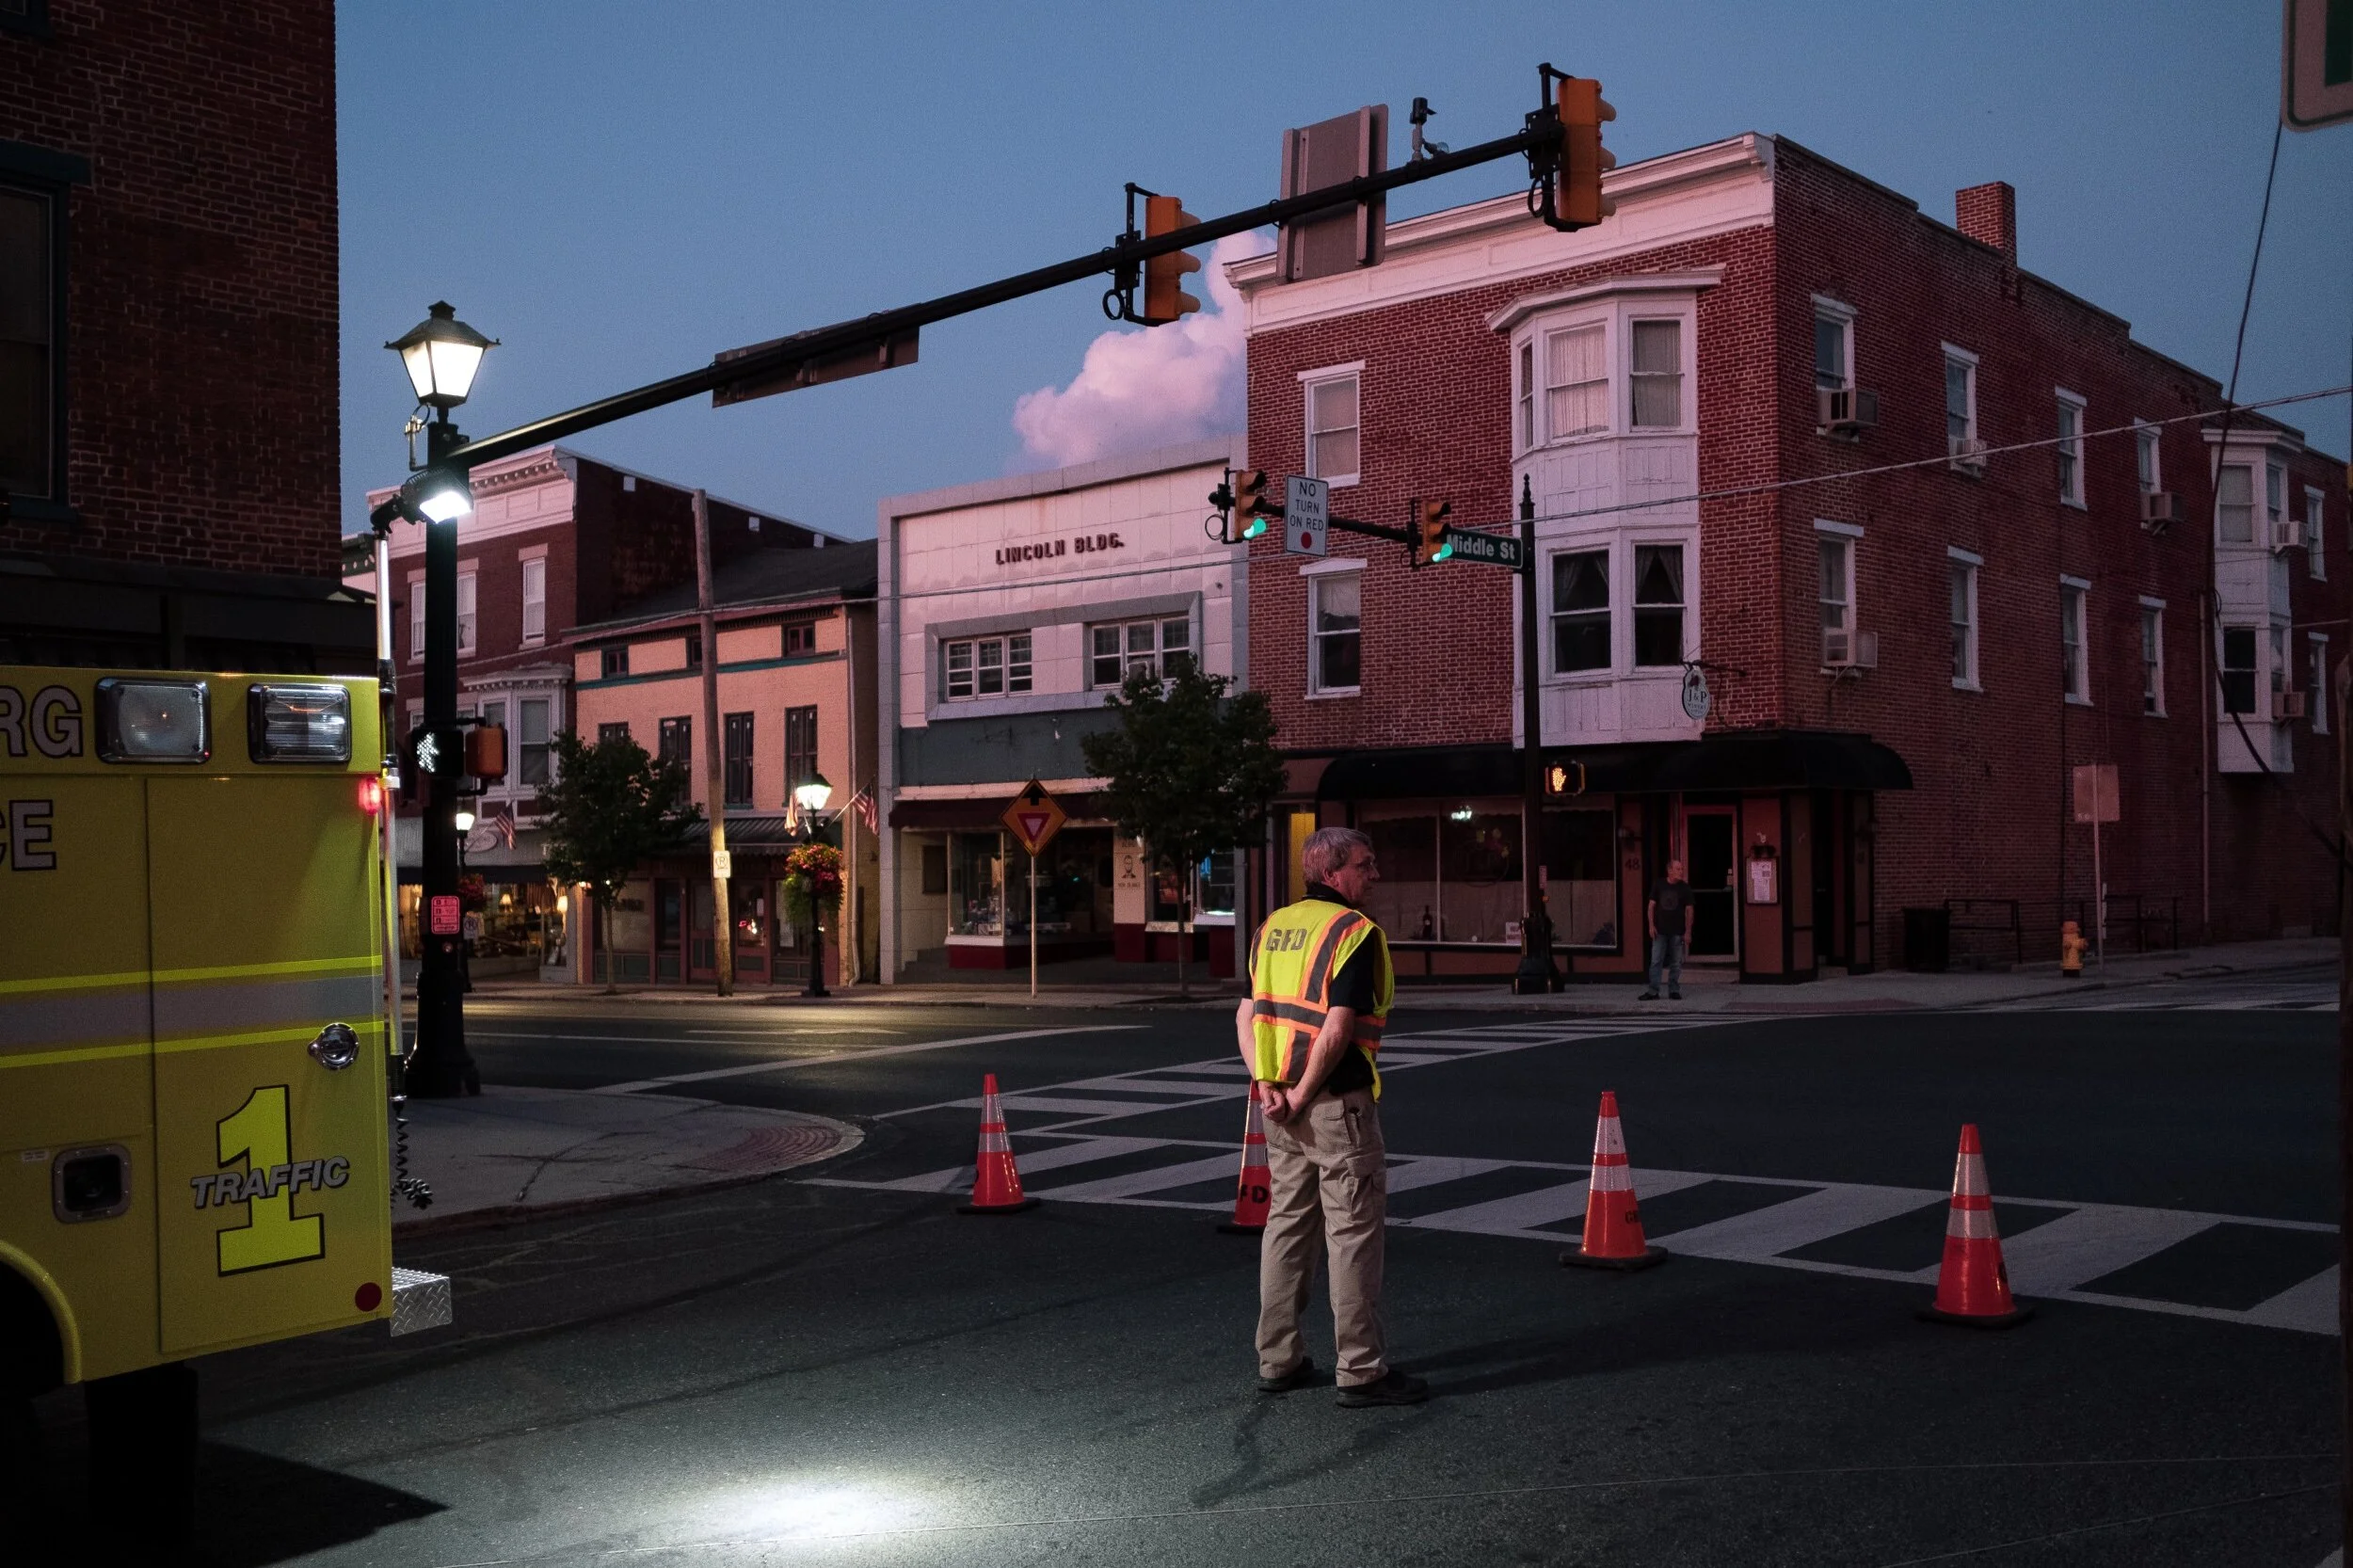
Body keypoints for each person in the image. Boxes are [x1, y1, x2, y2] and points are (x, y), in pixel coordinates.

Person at [1233, 825, 1427, 1408]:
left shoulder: (1273, 928)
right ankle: (1361, 1371)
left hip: (1278, 1108)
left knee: (1287, 1228)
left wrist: (1269, 1085)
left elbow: (1246, 1016)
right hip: (1335, 1106)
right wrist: (1305, 1090)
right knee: (1351, 1236)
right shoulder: (1354, 932)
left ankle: (1279, 1359)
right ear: (1333, 873)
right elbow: (1339, 1028)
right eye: (1366, 865)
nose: (1375, 874)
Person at [1641, 857, 1693, 1001]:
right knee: (1656, 960)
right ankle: (1653, 991)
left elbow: (1689, 910)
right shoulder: (1659, 885)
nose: (1681, 872)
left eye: (1682, 869)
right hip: (1660, 930)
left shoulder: (1685, 888)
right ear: (1670, 870)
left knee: (1676, 962)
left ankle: (1674, 990)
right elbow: (1651, 906)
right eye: (1678, 869)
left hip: (1677, 930)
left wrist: (1688, 931)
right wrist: (1651, 925)